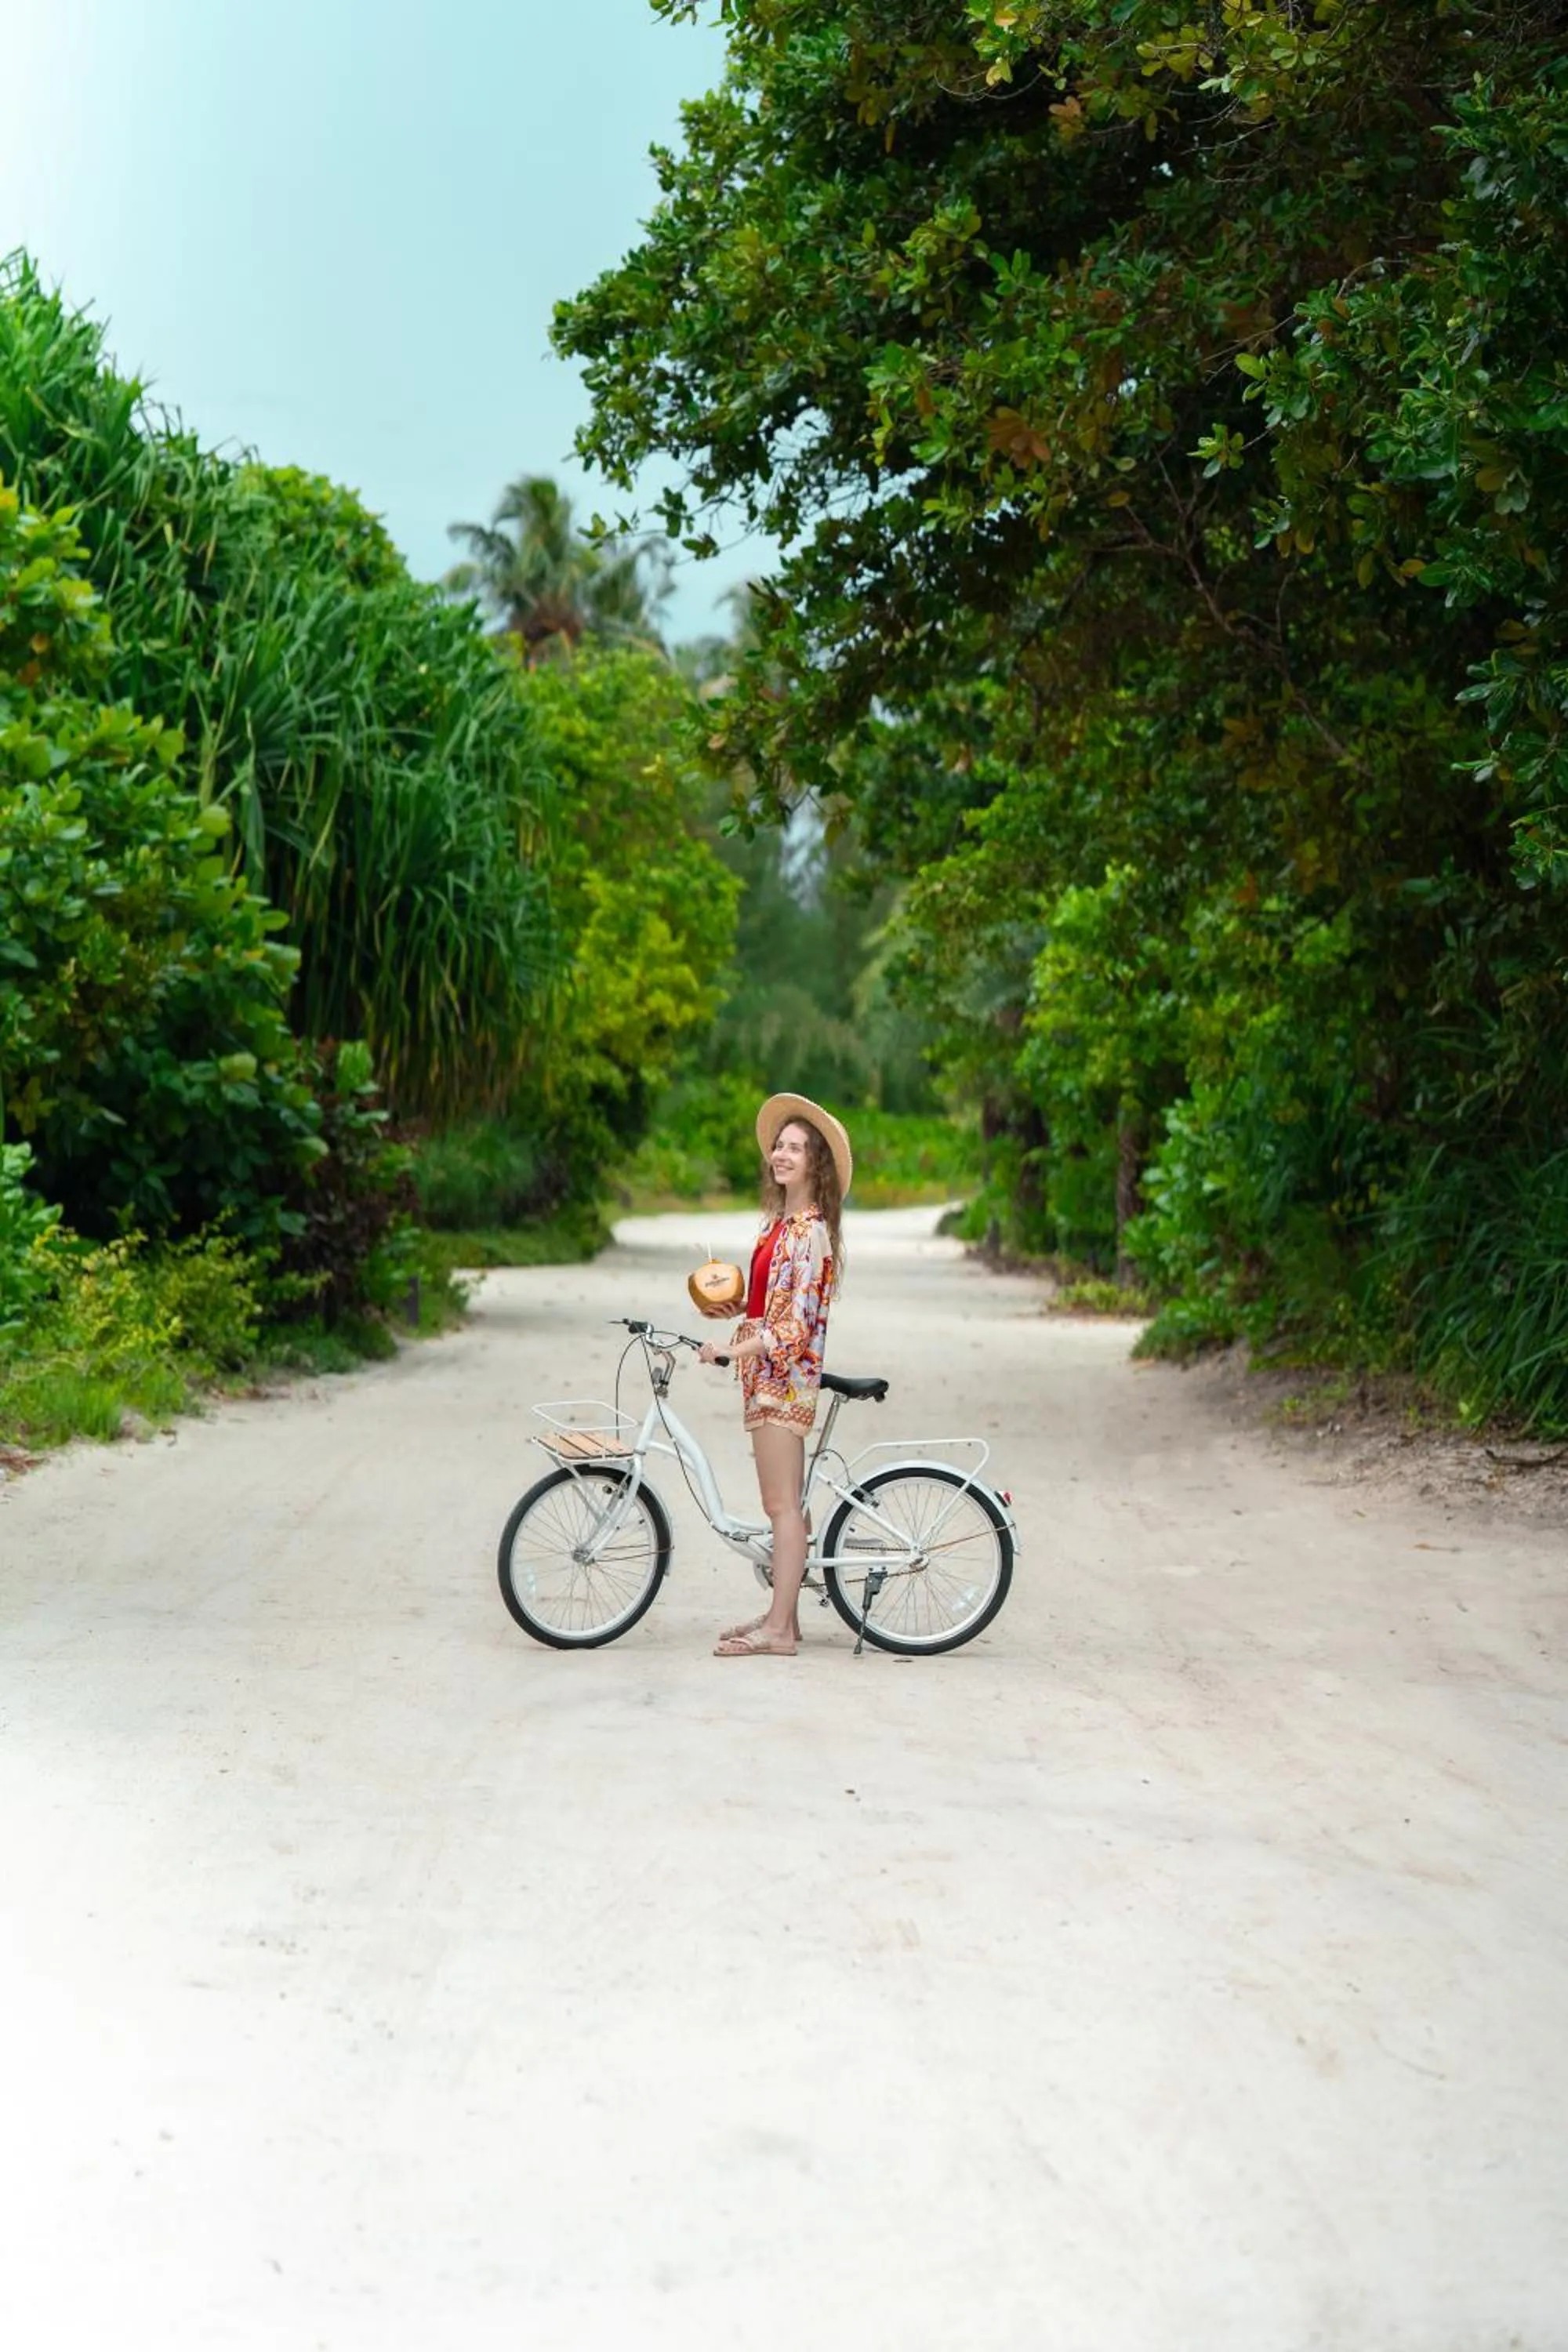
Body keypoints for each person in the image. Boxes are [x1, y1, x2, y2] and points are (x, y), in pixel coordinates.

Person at [698, 1091, 851, 1658]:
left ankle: (780, 1632)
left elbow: (796, 1329)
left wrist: (729, 1353)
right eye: (778, 1147)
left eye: (795, 1148)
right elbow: (769, 1306)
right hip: (765, 1377)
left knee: (780, 1505)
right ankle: (780, 1612)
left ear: (817, 1164)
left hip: (784, 1380)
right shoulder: (778, 1227)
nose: (781, 1155)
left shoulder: (810, 1233)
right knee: (790, 1503)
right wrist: (731, 1313)